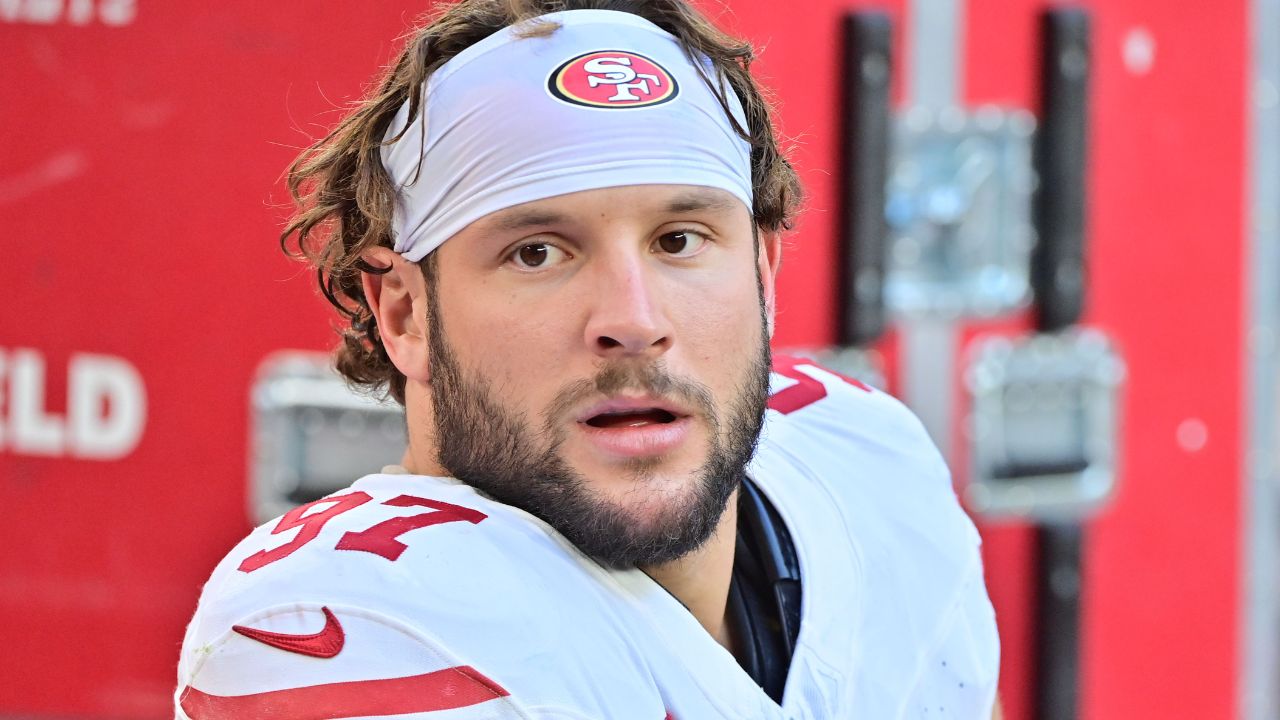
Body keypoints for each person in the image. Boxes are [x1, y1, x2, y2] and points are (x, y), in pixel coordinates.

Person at [175, 1, 1001, 718]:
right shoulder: (348, 622)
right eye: (538, 253)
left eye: (680, 240)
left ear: (761, 274)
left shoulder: (867, 460)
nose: (634, 322)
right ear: (405, 312)